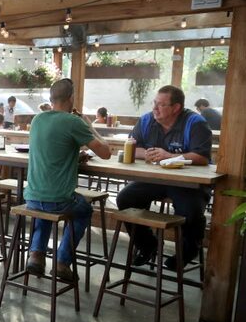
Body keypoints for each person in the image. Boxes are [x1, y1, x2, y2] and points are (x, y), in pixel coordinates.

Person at [118, 86, 212, 270]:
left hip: (188, 183)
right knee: (125, 199)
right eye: (155, 103)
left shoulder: (195, 123)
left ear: (176, 108)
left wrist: (169, 156)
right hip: (155, 179)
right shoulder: (146, 120)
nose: (155, 108)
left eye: (161, 105)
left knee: (191, 210)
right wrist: (147, 154)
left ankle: (188, 250)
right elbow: (132, 146)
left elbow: (201, 157)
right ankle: (147, 244)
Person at [25, 78, 111, 280]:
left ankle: (36, 255)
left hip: (32, 197)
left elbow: (55, 147)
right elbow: (105, 153)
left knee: (44, 205)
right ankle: (62, 262)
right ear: (71, 98)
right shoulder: (74, 122)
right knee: (84, 210)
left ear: (50, 98)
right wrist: (90, 125)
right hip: (59, 201)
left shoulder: (37, 119)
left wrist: (72, 155)